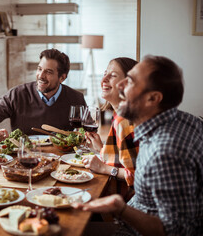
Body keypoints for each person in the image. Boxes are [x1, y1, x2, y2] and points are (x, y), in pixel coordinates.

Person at [74, 55, 203, 235]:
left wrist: (120, 209)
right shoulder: (184, 120)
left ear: (153, 98)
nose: (120, 86)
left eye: (131, 82)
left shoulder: (165, 153)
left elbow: (175, 232)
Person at [0, 48, 87, 135]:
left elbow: (88, 132)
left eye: (48, 72)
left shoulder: (76, 99)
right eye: (39, 69)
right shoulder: (17, 94)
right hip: (24, 158)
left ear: (62, 78)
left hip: (62, 159)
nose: (41, 76)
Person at [83, 57, 139, 197]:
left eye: (113, 75)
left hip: (122, 203)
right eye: (104, 74)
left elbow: (137, 177)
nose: (103, 80)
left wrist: (103, 168)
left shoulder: (125, 121)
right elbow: (123, 161)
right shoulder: (120, 114)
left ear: (128, 84)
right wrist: (101, 148)